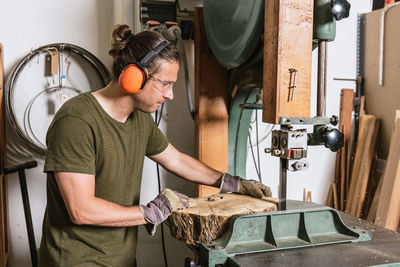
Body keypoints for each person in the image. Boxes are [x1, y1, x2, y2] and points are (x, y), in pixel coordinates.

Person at [38, 24, 271, 267]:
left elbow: (176, 160)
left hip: (120, 259)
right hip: (76, 262)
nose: (170, 95)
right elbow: (81, 210)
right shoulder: (77, 121)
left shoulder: (140, 119)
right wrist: (151, 212)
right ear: (133, 77)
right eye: (165, 84)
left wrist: (232, 183)